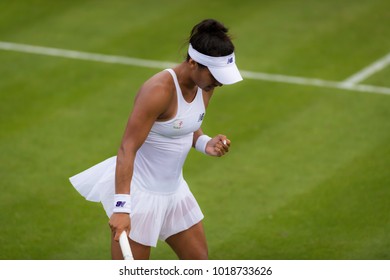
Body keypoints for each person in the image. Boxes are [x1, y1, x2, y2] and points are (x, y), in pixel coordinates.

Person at [69, 18, 243, 260]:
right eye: (216, 74)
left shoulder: (206, 86)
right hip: (139, 195)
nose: (220, 81)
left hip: (176, 193)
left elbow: (184, 126)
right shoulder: (158, 90)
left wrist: (205, 143)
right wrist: (122, 208)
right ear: (193, 63)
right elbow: (127, 148)